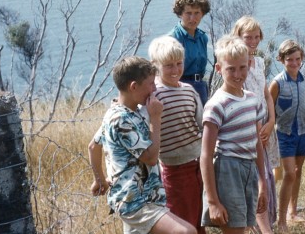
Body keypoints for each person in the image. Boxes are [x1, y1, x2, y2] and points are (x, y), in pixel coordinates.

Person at [88, 56, 196, 234]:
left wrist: (99, 181)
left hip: (137, 198)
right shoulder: (121, 120)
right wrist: (155, 118)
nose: (154, 89)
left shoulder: (119, 112)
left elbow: (93, 146)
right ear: (133, 86)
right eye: (151, 84)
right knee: (186, 231)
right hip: (136, 202)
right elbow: (152, 158)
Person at [200, 35, 267, 234]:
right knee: (234, 230)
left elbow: (257, 143)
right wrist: (212, 201)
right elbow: (206, 154)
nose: (238, 74)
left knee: (244, 226)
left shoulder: (252, 99)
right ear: (219, 69)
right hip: (228, 169)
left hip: (249, 169)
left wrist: (263, 182)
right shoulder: (217, 105)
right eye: (231, 69)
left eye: (242, 67)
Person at [148, 36, 205, 234]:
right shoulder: (155, 96)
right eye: (168, 66)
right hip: (174, 168)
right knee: (182, 218)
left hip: (198, 163)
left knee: (200, 217)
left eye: (179, 64)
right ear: (156, 66)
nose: (175, 70)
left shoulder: (189, 90)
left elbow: (201, 124)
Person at [231, 16, 278, 234]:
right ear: (238, 37)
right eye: (248, 37)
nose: (253, 41)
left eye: (256, 37)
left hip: (265, 126)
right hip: (249, 128)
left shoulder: (259, 62)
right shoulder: (236, 66)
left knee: (267, 176)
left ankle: (265, 225)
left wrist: (271, 121)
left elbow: (266, 93)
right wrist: (259, 125)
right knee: (256, 179)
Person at [268, 39, 305, 233]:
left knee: (298, 171)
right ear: (281, 60)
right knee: (288, 173)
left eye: (298, 59)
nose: (294, 63)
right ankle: (281, 220)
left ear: (302, 59)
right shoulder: (277, 83)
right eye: (290, 59)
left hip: (304, 131)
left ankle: (293, 212)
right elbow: (269, 110)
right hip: (285, 133)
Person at [169, 0, 212, 106]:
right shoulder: (173, 39)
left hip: (200, 86)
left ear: (202, 13)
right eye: (188, 13)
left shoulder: (202, 37)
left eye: (197, 13)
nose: (192, 18)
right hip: (180, 88)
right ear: (180, 13)